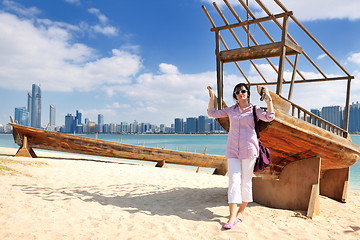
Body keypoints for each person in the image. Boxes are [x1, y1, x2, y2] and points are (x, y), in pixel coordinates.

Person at [207, 83, 275, 229]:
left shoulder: (255, 110)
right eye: (237, 92)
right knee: (233, 181)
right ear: (235, 95)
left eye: (243, 91)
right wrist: (212, 96)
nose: (241, 93)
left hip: (249, 150)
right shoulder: (231, 110)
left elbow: (270, 117)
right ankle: (232, 217)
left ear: (248, 93)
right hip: (232, 150)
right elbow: (211, 113)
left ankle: (241, 211)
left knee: (245, 182)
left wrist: (268, 100)